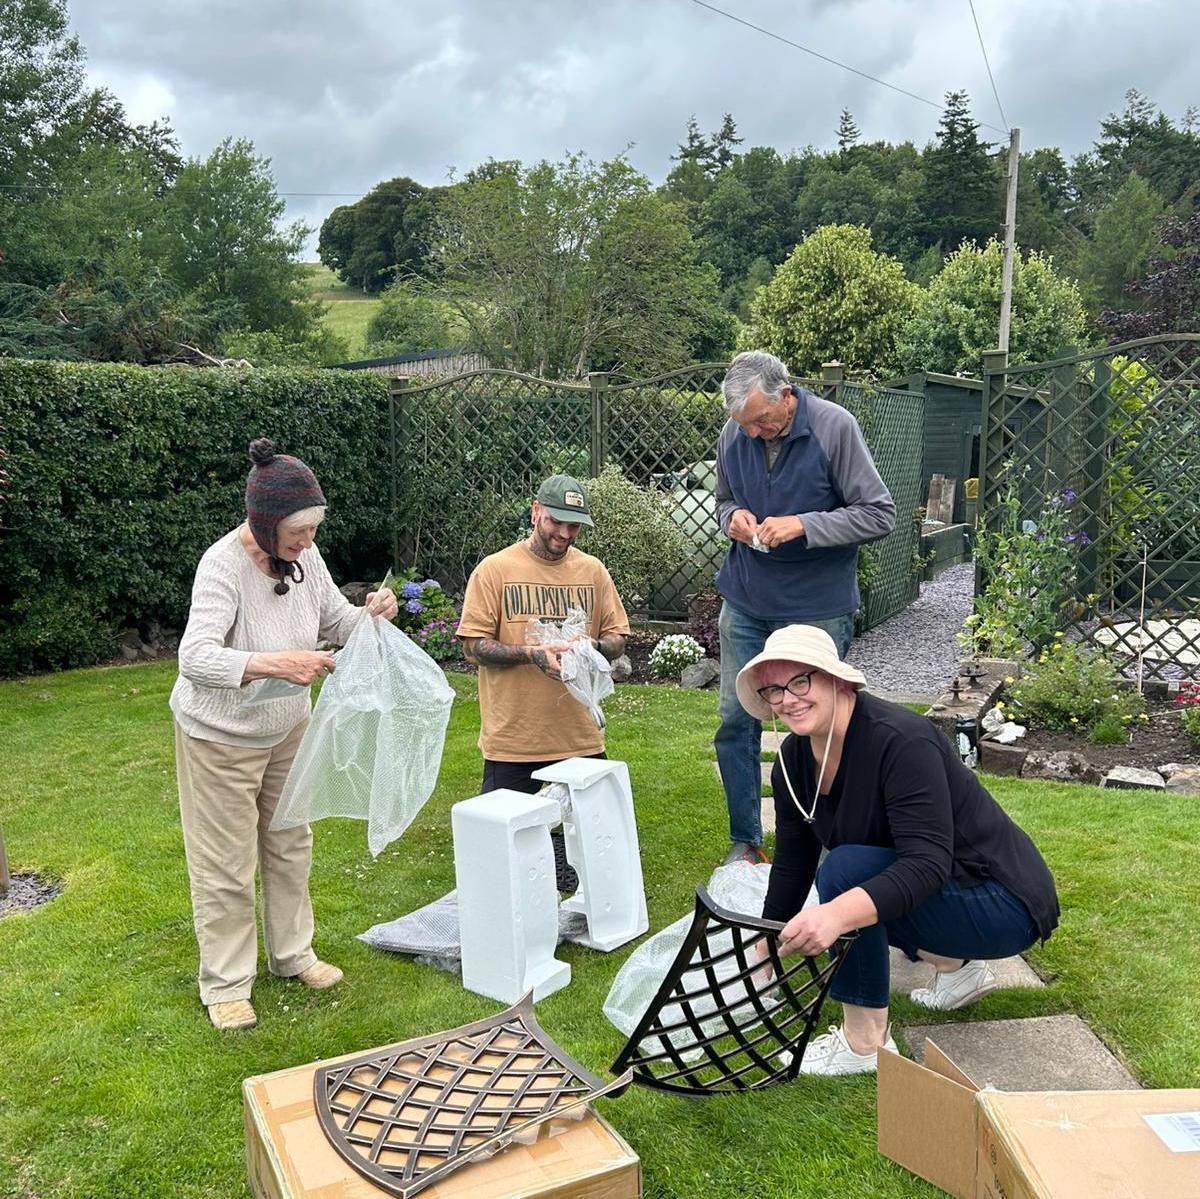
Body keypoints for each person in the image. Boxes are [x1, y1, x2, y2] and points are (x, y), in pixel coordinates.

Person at [735, 625, 1059, 1076]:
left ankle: (865, 1044)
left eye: (800, 681)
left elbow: (926, 865)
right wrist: (764, 946)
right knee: (849, 872)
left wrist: (835, 915)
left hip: (1002, 901)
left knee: (846, 872)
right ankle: (958, 970)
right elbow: (793, 862)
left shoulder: (901, 740)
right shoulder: (793, 760)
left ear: (836, 679)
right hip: (950, 889)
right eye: (773, 689)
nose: (787, 699)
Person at [170, 438, 399, 1031]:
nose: (307, 543)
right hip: (219, 736)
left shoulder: (305, 560)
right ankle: (225, 983)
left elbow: (336, 622)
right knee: (225, 862)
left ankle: (292, 955)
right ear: (265, 523)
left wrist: (370, 615)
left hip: (286, 729)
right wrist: (275, 664)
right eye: (297, 533)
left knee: (291, 845)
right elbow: (194, 658)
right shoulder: (221, 566)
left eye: (313, 531)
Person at [713, 349, 896, 867]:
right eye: (744, 425)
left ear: (786, 396)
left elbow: (879, 514)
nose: (753, 434)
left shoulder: (835, 428)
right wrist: (734, 518)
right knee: (735, 718)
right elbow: (726, 499)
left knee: (823, 723)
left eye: (762, 421)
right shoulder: (736, 434)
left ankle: (830, 839)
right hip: (747, 600)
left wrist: (805, 525)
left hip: (817, 607)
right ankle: (746, 840)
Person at [456, 474, 629, 888]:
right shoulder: (495, 570)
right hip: (515, 738)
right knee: (501, 859)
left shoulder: (592, 571)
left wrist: (592, 647)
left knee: (598, 857)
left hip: (580, 736)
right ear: (536, 512)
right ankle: (543, 872)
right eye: (557, 522)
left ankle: (564, 875)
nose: (565, 534)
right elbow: (473, 646)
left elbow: (618, 638)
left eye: (574, 526)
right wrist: (531, 654)